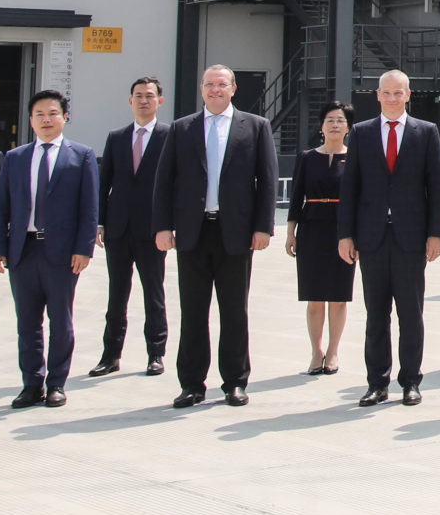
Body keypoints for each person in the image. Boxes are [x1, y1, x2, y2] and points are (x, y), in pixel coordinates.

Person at [151, 64, 277, 409]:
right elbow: (165, 181)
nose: (215, 90)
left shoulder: (254, 127)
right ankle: (191, 383)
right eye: (209, 84)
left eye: (222, 84)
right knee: (193, 312)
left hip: (235, 233)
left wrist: (263, 227)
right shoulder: (182, 128)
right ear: (202, 89)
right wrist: (162, 227)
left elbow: (266, 181)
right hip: (193, 233)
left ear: (233, 88)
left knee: (235, 311)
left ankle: (235, 381)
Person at [0, 90, 100, 410]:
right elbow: (1, 207)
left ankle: (56, 384)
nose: (46, 120)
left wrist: (84, 248)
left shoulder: (82, 155)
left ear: (65, 117)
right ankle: (31, 383)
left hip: (62, 253)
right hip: (23, 251)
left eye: (53, 113)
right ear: (31, 120)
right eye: (39, 114)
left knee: (60, 320)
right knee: (27, 322)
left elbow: (89, 208)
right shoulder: (16, 158)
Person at [341, 70, 440, 406]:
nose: (391, 98)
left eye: (397, 92)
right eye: (385, 92)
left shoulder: (426, 132)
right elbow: (350, 189)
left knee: (411, 313)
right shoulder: (360, 133)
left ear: (408, 94)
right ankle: (377, 382)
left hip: (411, 239)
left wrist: (436, 234)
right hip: (371, 238)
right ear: (377, 95)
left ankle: (411, 381)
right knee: (376, 314)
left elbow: (435, 188)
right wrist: (346, 235)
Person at [89, 75, 169, 379]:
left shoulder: (169, 135)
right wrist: (100, 221)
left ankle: (155, 354)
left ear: (159, 100)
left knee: (154, 294)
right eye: (138, 95)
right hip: (117, 229)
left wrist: (167, 225)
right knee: (116, 294)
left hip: (152, 230)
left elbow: (174, 184)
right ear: (130, 100)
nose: (144, 100)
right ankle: (110, 355)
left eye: (150, 95)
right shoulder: (117, 136)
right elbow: (104, 181)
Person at [286, 103, 354, 375]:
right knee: (314, 297)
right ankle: (316, 351)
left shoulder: (355, 157)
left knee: (338, 296)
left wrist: (355, 236)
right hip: (311, 227)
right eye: (330, 120)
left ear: (348, 127)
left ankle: (334, 351)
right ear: (321, 126)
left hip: (343, 230)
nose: (335, 125)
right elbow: (295, 197)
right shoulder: (306, 157)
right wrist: (290, 231)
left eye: (340, 120)